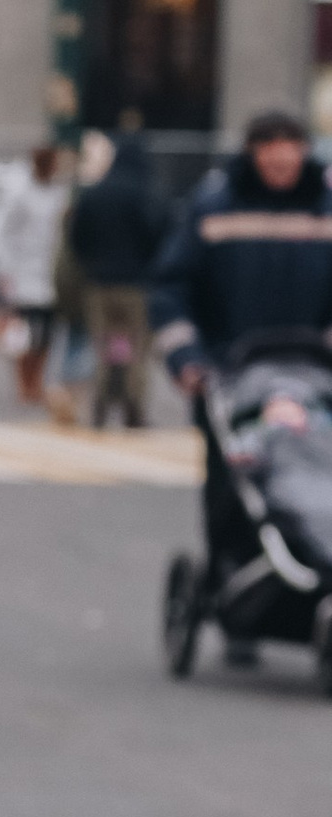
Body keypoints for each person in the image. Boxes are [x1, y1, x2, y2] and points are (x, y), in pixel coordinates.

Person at [151, 107, 332, 604]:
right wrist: (187, 357)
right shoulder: (214, 209)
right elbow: (172, 288)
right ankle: (236, 583)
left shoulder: (325, 210)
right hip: (232, 376)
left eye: (289, 160)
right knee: (232, 488)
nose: (282, 170)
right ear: (254, 156)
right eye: (272, 162)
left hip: (314, 376)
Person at [64, 127, 168, 429]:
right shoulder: (148, 193)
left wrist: (91, 263)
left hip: (99, 283)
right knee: (134, 348)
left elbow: (76, 236)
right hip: (138, 285)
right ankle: (133, 406)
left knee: (105, 345)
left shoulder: (95, 193)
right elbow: (161, 234)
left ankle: (100, 404)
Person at [0, 142, 67, 409]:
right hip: (25, 272)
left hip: (50, 272)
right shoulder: (21, 194)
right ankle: (25, 382)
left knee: (47, 334)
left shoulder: (58, 193)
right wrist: (5, 271)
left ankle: (37, 380)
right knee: (26, 333)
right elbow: (7, 234)